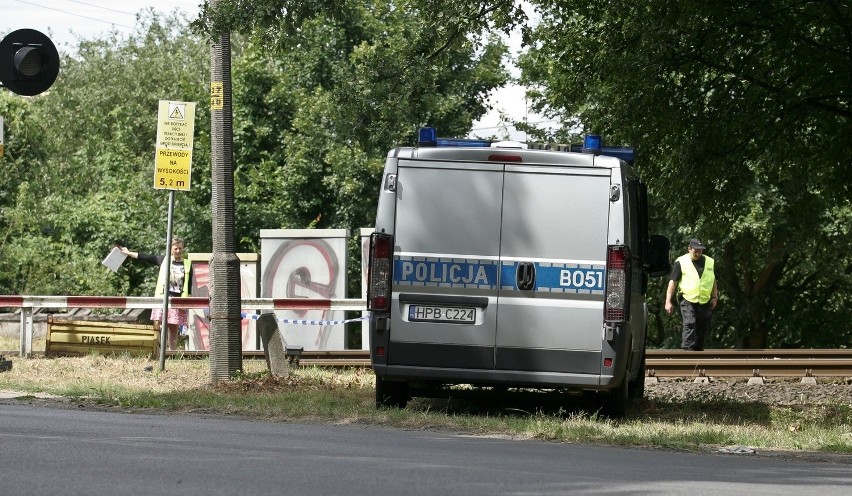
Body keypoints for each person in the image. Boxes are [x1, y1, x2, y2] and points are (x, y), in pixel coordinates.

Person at [120, 238, 193, 350]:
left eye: (180, 248)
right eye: (176, 248)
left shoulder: (187, 264)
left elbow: (189, 285)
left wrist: (187, 302)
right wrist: (129, 253)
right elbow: (147, 257)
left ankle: (172, 352)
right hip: (162, 297)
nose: (178, 251)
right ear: (171, 249)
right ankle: (157, 349)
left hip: (178, 299)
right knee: (158, 324)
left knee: (173, 326)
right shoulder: (164, 260)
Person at [664, 238, 718, 351]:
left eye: (700, 251)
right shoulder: (681, 262)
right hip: (687, 299)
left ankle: (698, 354)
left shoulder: (709, 262)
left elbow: (713, 281)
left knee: (702, 328)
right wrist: (668, 301)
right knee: (690, 323)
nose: (698, 253)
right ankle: (687, 353)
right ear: (689, 249)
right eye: (695, 251)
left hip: (704, 300)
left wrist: (714, 297)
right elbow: (673, 281)